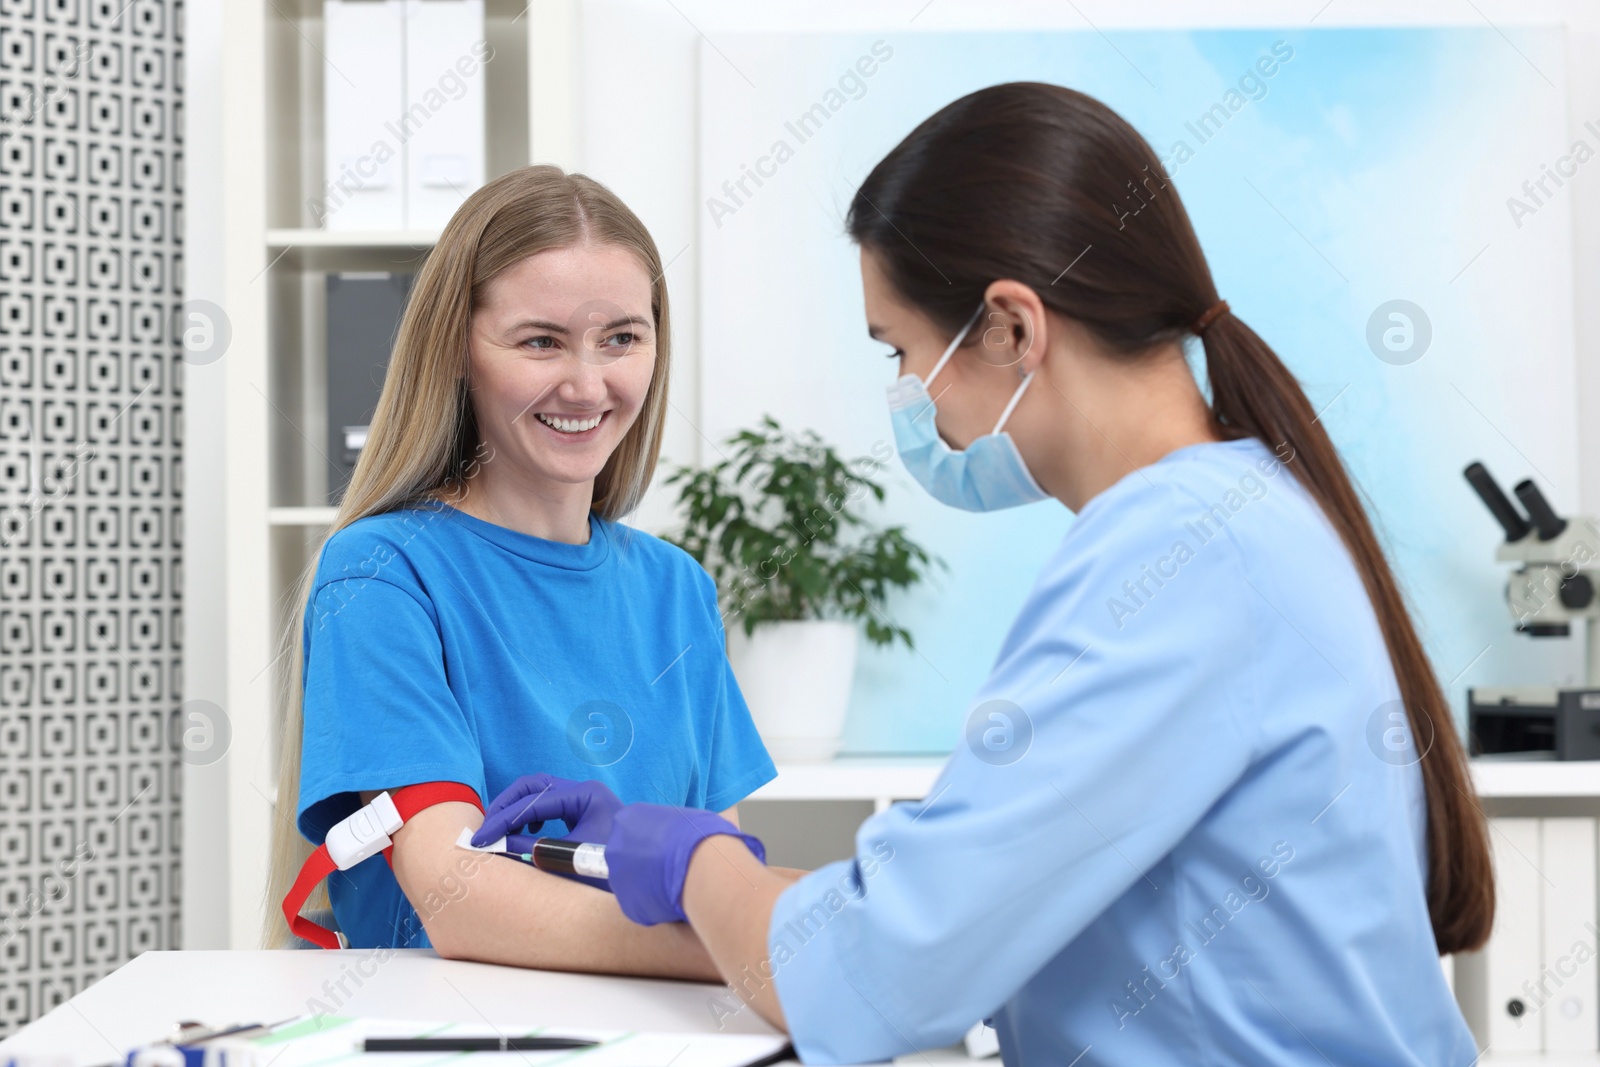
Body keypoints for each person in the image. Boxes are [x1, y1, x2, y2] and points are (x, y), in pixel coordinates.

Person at [472, 84, 1495, 1064]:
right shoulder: (1233, 510)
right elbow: (948, 904)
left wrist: (691, 860)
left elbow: (877, 974)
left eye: (901, 350)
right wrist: (677, 856)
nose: (910, 396)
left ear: (1010, 326)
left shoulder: (1178, 553)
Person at [262, 165, 777, 978]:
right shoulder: (382, 574)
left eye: (622, 338)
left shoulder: (677, 590)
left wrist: (732, 915)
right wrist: (726, 940)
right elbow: (456, 893)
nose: (587, 383)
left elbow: (730, 864)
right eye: (541, 340)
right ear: (458, 352)